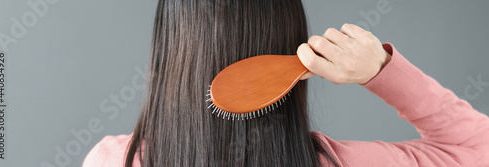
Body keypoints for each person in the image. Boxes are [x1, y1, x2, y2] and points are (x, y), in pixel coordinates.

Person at [83, 1, 489, 166]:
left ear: (169, 50)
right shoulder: (337, 162)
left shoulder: (112, 160)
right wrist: (380, 69)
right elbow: (477, 148)